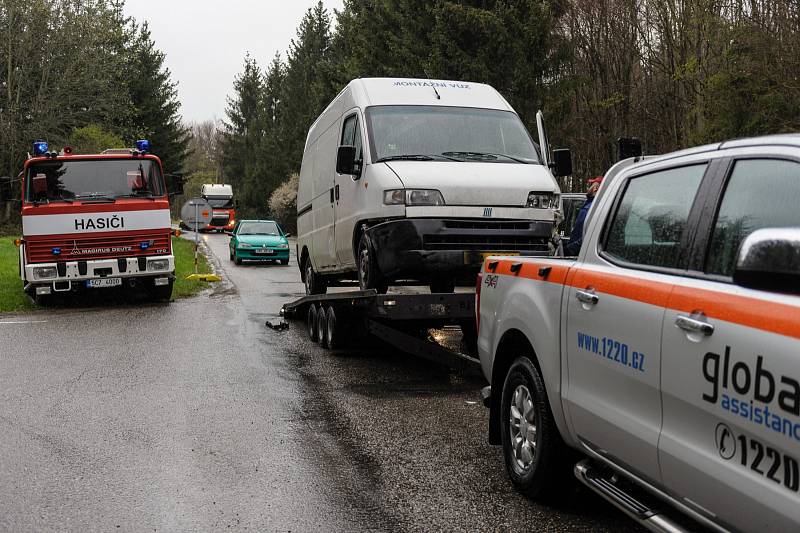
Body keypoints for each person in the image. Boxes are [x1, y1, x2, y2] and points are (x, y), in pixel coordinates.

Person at [564, 176, 603, 256]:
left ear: (595, 188)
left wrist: (570, 249)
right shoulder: (592, 206)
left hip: (578, 254)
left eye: (591, 185)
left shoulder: (591, 208)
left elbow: (588, 236)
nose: (588, 188)